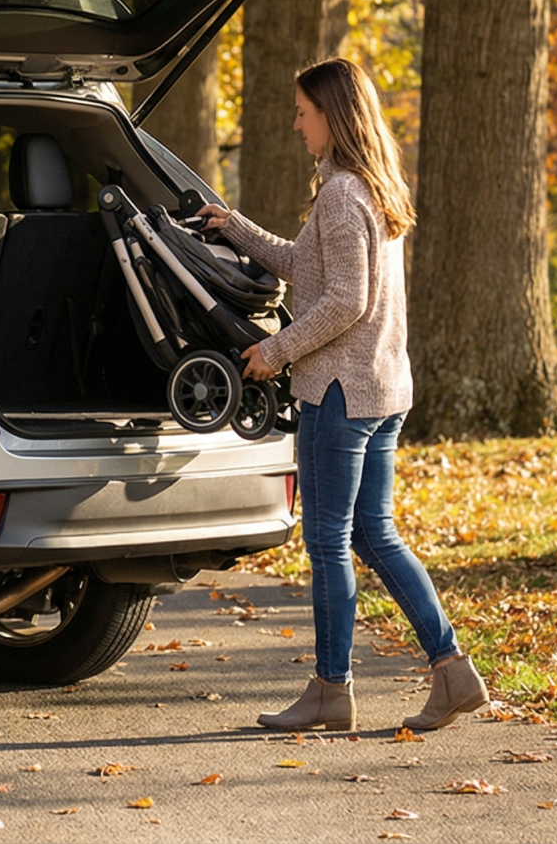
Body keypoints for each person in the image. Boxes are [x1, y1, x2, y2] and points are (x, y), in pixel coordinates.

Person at [196, 56, 487, 733]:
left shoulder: (340, 194)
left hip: (339, 390)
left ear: (332, 114)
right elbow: (307, 267)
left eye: (303, 112)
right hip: (382, 389)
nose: (296, 125)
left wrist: (275, 351)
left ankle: (332, 689)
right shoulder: (370, 189)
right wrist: (236, 228)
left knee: (328, 542)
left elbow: (345, 301)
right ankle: (452, 670)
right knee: (373, 534)